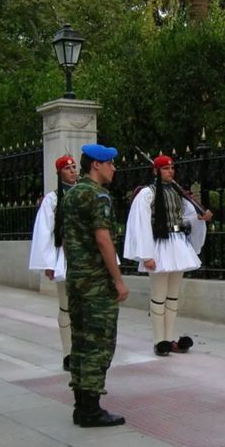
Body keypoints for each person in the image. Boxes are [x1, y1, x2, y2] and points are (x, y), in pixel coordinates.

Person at [61, 143, 130, 428]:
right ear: (96, 165)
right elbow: (103, 239)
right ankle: (91, 410)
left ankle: (81, 406)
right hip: (96, 284)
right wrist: (117, 279)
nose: (114, 168)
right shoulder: (99, 195)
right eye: (110, 163)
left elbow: (64, 239)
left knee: (80, 341)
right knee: (99, 344)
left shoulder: (71, 194)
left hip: (77, 280)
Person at [124, 154, 213, 356]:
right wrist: (146, 254)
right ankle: (159, 340)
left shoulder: (177, 192)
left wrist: (200, 218)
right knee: (158, 296)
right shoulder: (147, 193)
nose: (170, 171)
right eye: (165, 168)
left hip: (177, 243)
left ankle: (169, 338)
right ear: (156, 171)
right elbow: (141, 223)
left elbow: (187, 219)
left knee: (173, 296)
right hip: (158, 244)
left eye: (172, 168)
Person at [29, 154, 78, 371]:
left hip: (84, 253)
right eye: (68, 169)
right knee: (66, 305)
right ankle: (68, 353)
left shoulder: (85, 193)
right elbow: (45, 231)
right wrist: (49, 262)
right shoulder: (52, 199)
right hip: (64, 255)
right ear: (59, 173)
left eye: (75, 167)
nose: (73, 171)